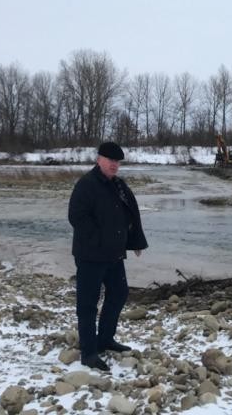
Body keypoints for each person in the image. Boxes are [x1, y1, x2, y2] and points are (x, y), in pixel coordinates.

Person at [68, 141, 148, 371]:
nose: (114, 165)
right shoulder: (86, 185)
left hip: (114, 255)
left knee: (119, 293)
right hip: (90, 255)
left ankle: (105, 339)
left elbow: (131, 213)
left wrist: (135, 242)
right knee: (88, 304)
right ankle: (89, 352)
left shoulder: (119, 185)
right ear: (99, 159)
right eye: (110, 160)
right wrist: (99, 242)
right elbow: (76, 217)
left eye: (117, 161)